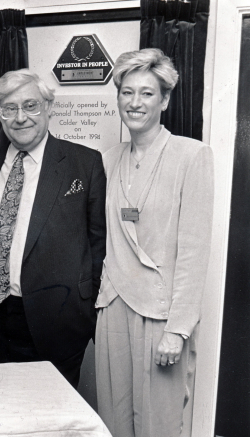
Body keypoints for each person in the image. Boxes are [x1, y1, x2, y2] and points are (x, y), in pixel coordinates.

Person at [95, 48, 214, 437]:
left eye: (147, 93)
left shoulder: (192, 155)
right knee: (112, 420)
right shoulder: (107, 159)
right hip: (113, 305)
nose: (135, 103)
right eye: (126, 93)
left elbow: (194, 252)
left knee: (158, 425)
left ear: (164, 100)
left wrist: (178, 330)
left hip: (160, 315)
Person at [0, 69, 107, 388]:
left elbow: (99, 245)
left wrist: (85, 314)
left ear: (49, 107)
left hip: (55, 322)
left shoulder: (83, 163)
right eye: (9, 108)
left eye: (31, 105)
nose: (20, 117)